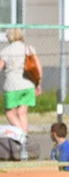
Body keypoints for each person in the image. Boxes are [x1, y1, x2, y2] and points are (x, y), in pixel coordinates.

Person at [0, 28, 43, 160]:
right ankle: (24, 143)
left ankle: (22, 137)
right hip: (28, 84)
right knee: (22, 113)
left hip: (12, 86)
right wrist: (38, 83)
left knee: (10, 113)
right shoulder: (28, 48)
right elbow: (38, 67)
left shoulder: (6, 51)